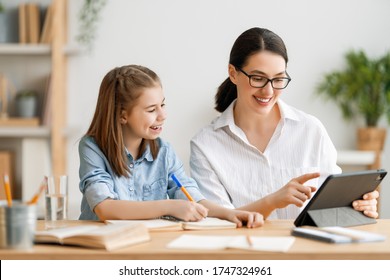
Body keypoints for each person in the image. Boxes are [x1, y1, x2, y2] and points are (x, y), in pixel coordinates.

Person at [190, 27, 379, 220]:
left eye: (278, 79)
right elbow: (219, 221)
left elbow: (331, 210)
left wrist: (356, 206)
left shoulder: (311, 130)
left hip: (305, 249)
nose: (268, 91)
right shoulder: (205, 145)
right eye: (258, 78)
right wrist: (272, 201)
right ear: (233, 73)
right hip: (243, 249)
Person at [78, 64, 263, 228]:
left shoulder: (163, 151)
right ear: (122, 115)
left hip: (146, 246)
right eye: (151, 110)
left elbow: (191, 196)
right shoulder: (92, 148)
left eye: (162, 105)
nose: (163, 115)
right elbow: (105, 208)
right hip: (99, 250)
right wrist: (169, 206)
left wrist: (230, 214)